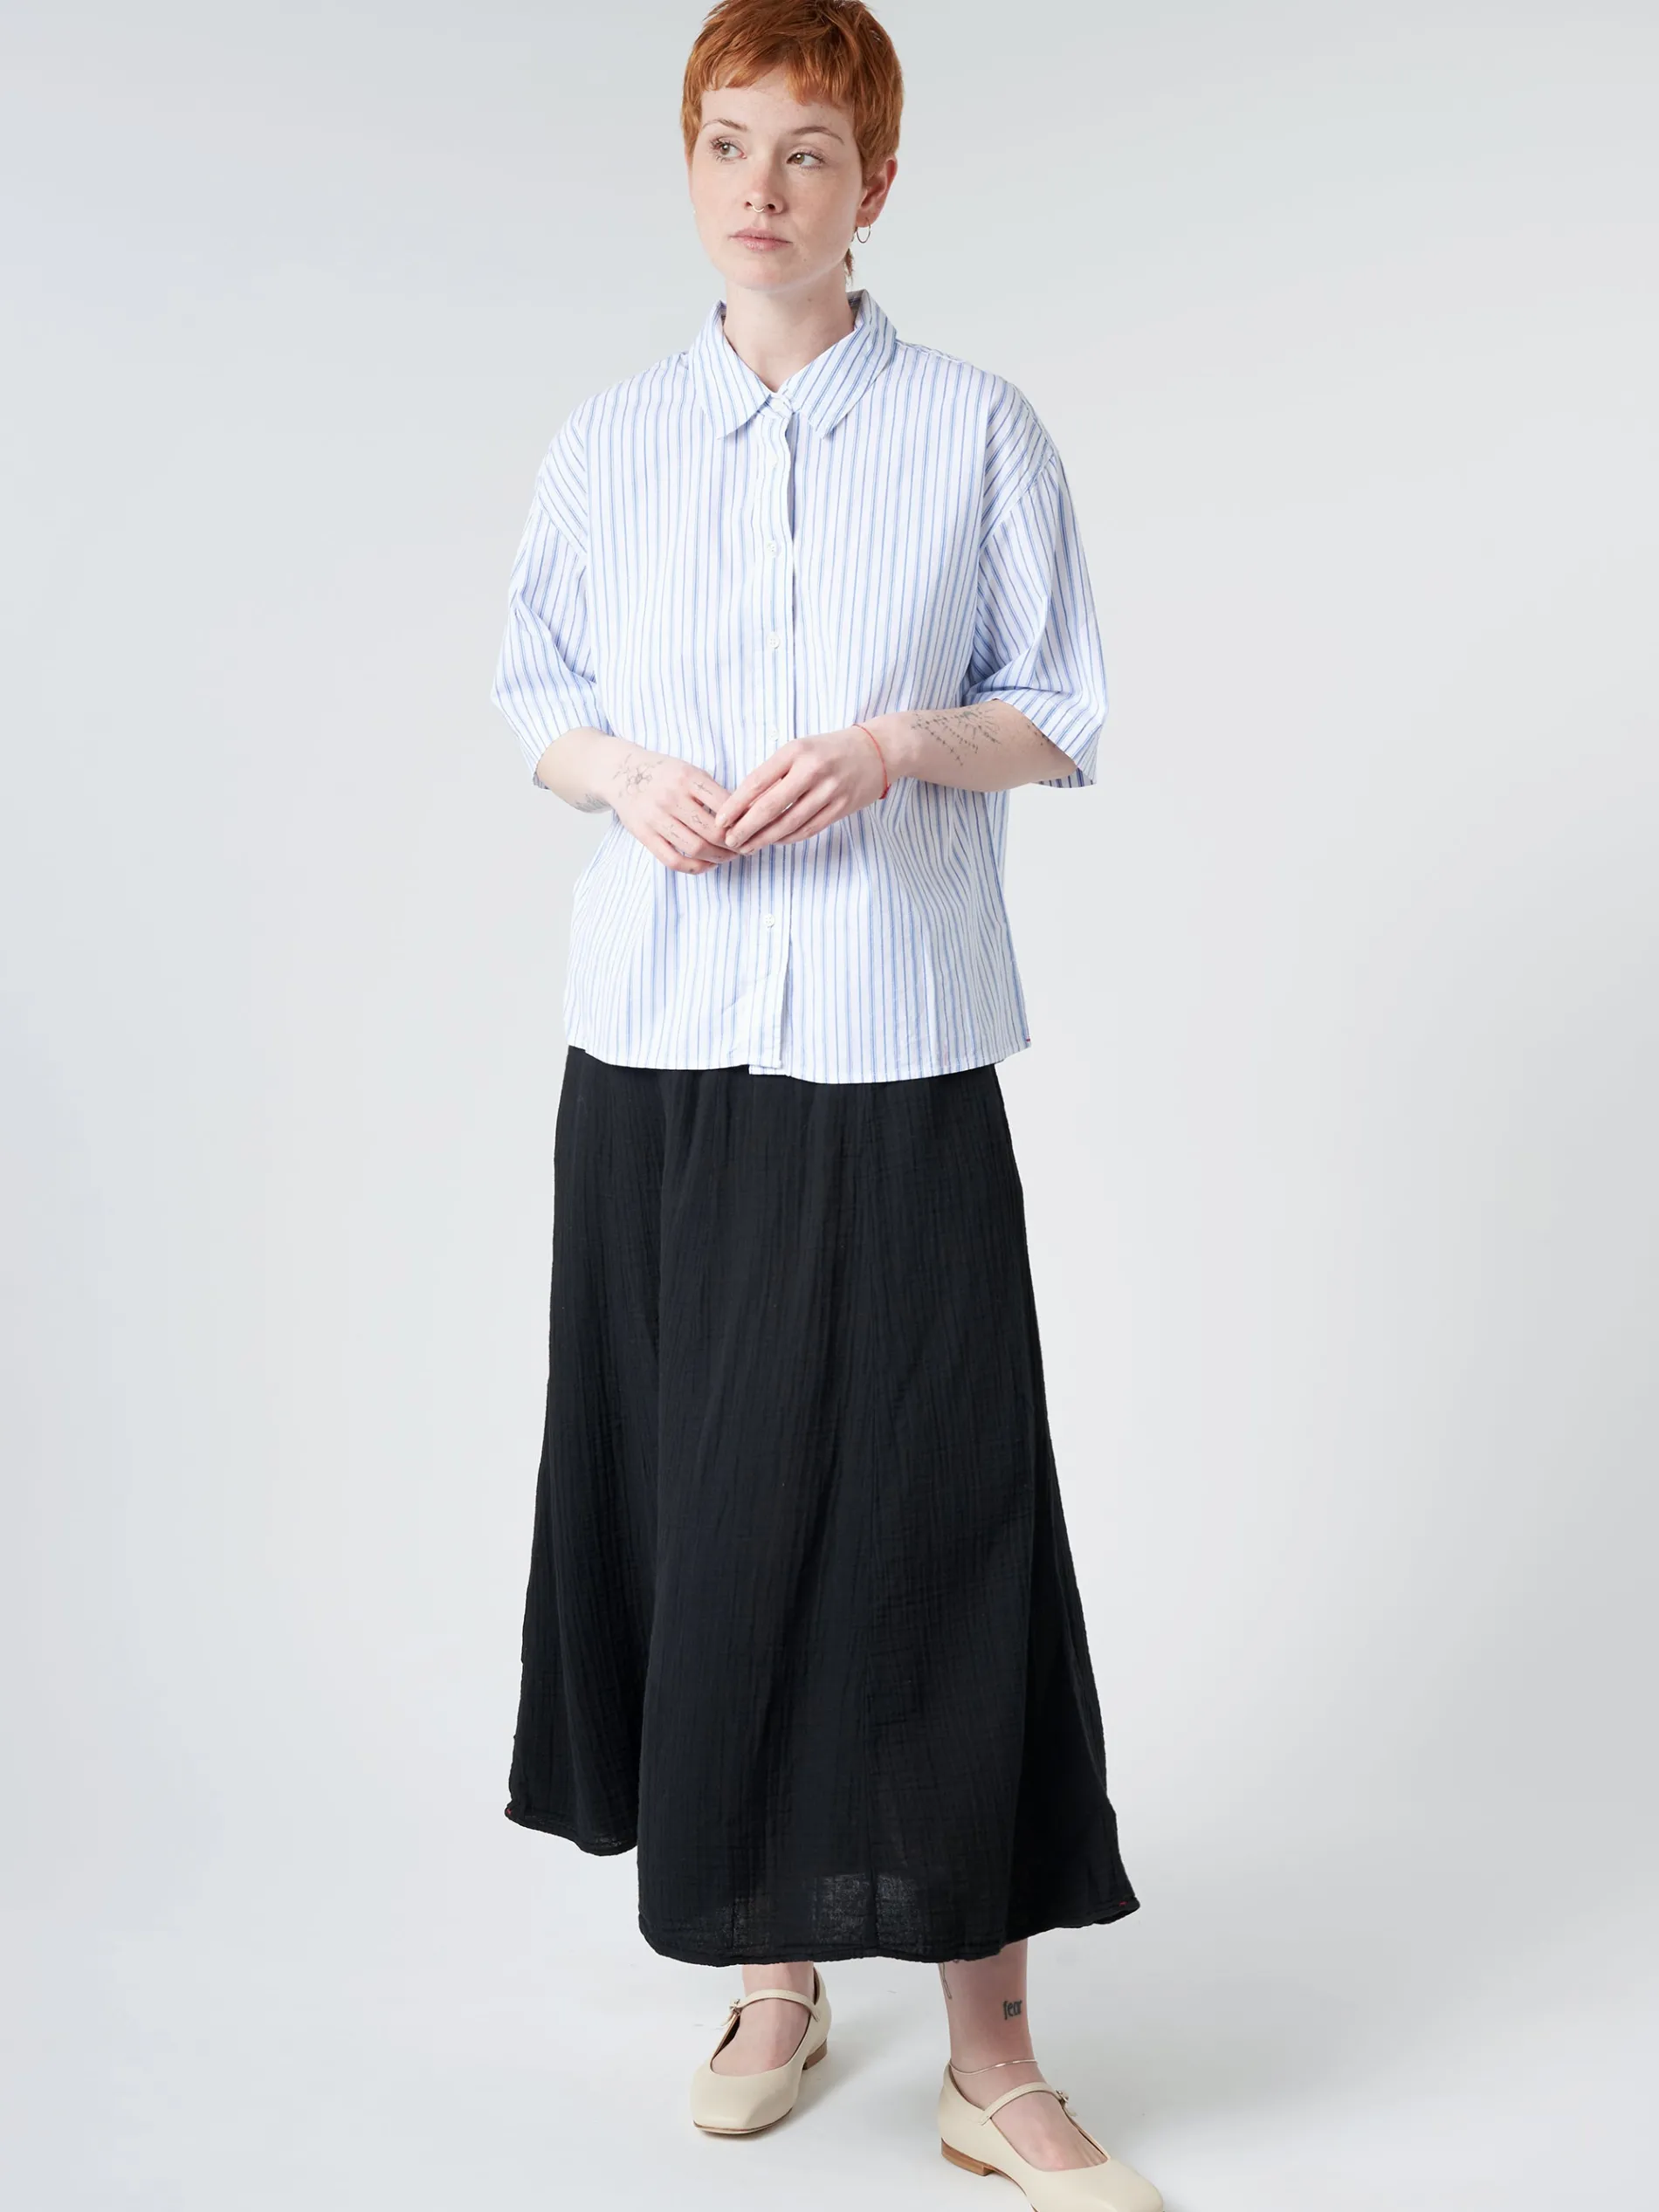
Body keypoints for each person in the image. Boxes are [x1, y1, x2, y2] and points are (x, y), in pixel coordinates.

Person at [488, 5, 1161, 2207]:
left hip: (889, 1034)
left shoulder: (970, 432)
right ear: (685, 166)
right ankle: (766, 1975)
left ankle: (990, 2053)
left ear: (874, 182)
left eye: (805, 150)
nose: (760, 188)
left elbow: (1056, 707)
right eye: (726, 144)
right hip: (659, 1046)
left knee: (940, 1511)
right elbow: (535, 691)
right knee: (704, 1499)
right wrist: (622, 773)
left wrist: (889, 749)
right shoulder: (607, 444)